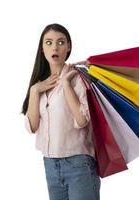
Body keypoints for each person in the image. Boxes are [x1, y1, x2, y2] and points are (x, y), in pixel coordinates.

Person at [21, 23, 100, 200]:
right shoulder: (39, 84)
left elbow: (82, 120)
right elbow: (32, 127)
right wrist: (35, 91)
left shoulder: (77, 78)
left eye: (60, 42)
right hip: (50, 165)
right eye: (48, 42)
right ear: (42, 48)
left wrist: (66, 84)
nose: (54, 47)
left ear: (69, 46)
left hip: (79, 164)